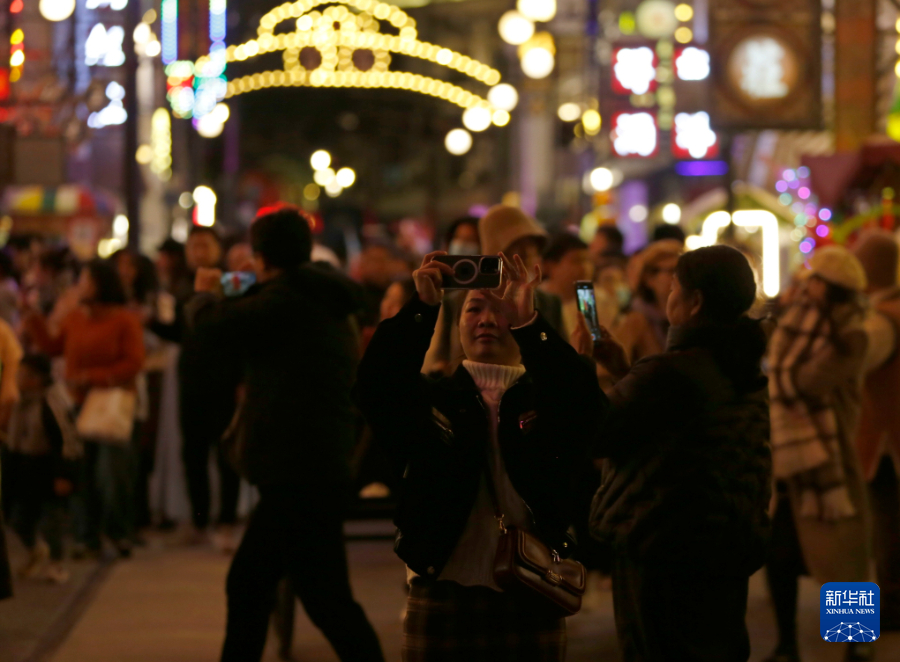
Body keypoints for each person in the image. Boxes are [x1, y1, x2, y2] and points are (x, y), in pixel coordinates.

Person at [356, 251, 602, 661]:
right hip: (442, 588)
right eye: (474, 308)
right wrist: (422, 307)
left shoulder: (545, 399)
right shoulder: (435, 398)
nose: (487, 318)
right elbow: (374, 388)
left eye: (500, 309)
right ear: (456, 324)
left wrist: (529, 324)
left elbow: (589, 411)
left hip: (532, 588)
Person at [186, 205, 383, 662]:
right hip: (316, 463)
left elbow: (211, 326)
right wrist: (231, 284)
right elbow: (251, 293)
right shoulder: (317, 290)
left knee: (262, 586)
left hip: (298, 469)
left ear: (261, 256)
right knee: (318, 594)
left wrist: (201, 294)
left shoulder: (285, 301)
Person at [582, 245, 772, 662]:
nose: (668, 294)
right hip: (725, 546)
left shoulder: (671, 371)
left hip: (663, 552)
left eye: (675, 285)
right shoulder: (740, 366)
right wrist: (624, 371)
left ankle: (852, 636)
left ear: (695, 301)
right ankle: (839, 640)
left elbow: (596, 433)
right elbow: (673, 426)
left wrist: (579, 370)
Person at [766, 245, 870, 662]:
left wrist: (783, 353)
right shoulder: (799, 322)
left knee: (844, 557)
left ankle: (854, 645)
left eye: (813, 281)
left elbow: (802, 382)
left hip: (829, 461)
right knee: (780, 557)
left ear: (829, 289)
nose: (804, 287)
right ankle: (787, 644)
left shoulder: (852, 334)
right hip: (794, 462)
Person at [24, 259, 145, 558]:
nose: (80, 286)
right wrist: (35, 321)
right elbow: (53, 347)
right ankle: (85, 536)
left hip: (109, 405)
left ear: (101, 285)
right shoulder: (76, 317)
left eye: (86, 280)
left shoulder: (124, 320)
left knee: (111, 473)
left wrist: (91, 377)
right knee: (82, 472)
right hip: (76, 404)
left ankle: (117, 532)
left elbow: (134, 362)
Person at [424, 205, 565, 374]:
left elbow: (563, 361)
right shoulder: (455, 301)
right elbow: (437, 358)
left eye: (532, 245)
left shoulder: (550, 302)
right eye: (517, 245)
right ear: (496, 250)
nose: (526, 252)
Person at [854, 230, 900, 632]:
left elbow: (838, 368)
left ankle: (855, 632)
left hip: (876, 445)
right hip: (878, 444)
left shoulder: (880, 319)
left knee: (859, 543)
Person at [2, 354, 79, 583]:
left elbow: (65, 441)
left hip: (48, 470)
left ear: (36, 378)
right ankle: (36, 550)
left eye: (23, 375)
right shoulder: (19, 402)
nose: (18, 378)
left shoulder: (53, 401)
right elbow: (12, 440)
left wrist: (64, 474)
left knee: (51, 521)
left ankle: (56, 563)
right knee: (17, 519)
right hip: (24, 469)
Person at [614, 240, 681, 362]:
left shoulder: (689, 316)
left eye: (682, 271)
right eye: (672, 271)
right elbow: (610, 369)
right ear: (649, 278)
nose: (679, 277)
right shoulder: (635, 320)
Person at [541, 232, 618, 338]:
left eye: (588, 261)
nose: (585, 268)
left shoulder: (597, 299)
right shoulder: (537, 300)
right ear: (550, 266)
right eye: (576, 261)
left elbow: (597, 341)